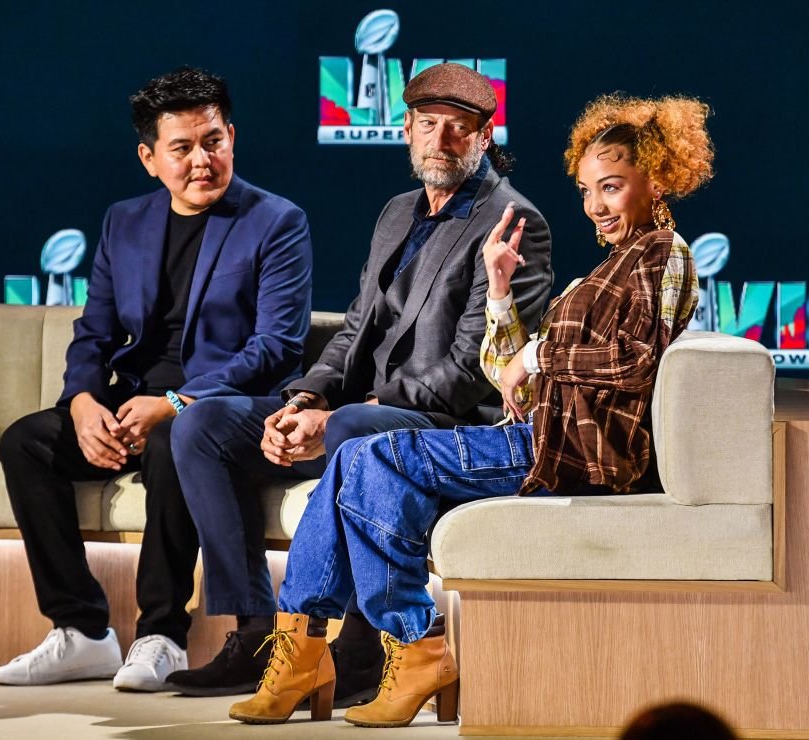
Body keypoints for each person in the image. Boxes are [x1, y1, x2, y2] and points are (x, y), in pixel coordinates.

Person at [227, 92, 713, 728]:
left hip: (570, 455)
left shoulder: (664, 256)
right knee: (367, 463)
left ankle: (387, 646)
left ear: (658, 179)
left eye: (613, 187)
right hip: (536, 433)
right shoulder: (604, 269)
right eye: (588, 190)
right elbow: (504, 370)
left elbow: (634, 363)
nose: (595, 205)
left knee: (363, 453)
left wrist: (538, 360)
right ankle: (337, 651)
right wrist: (503, 292)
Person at [165, 62, 552, 704]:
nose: (441, 141)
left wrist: (350, 410)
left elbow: (470, 372)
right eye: (429, 126)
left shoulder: (513, 221)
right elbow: (353, 329)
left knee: (353, 430)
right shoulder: (397, 211)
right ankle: (257, 631)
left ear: (485, 138)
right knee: (201, 425)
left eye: (459, 130)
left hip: (450, 423)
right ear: (406, 130)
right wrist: (306, 397)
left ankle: (358, 645)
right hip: (354, 405)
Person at [0, 67, 313, 691]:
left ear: (232, 137)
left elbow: (276, 347)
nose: (202, 160)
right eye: (183, 148)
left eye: (213, 141)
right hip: (131, 400)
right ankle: (81, 630)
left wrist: (173, 402)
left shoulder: (276, 221)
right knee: (26, 442)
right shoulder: (124, 222)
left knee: (180, 437)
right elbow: (95, 333)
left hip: (223, 408)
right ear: (149, 158)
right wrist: (84, 402)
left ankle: (160, 634)